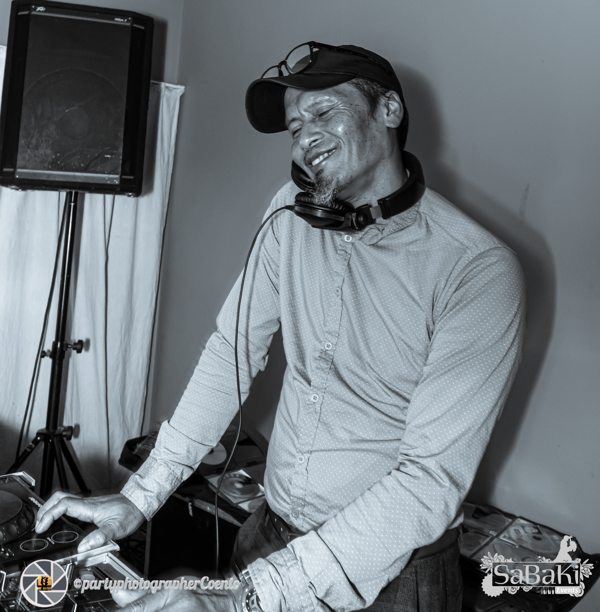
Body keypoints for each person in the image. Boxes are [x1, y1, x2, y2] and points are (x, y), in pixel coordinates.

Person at [35, 42, 526, 612]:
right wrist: (140, 496)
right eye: (295, 127)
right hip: (268, 534)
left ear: (389, 110)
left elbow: (428, 480)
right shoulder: (288, 212)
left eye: (324, 113)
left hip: (391, 574)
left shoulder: (478, 269)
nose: (304, 139)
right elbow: (231, 352)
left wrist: (243, 597)